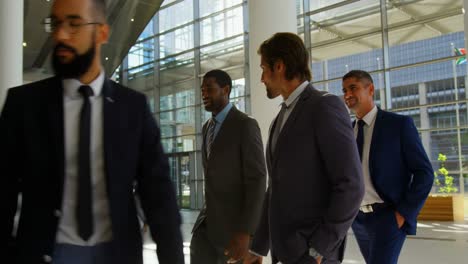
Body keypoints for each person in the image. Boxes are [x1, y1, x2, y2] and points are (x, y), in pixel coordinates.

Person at [1, 0, 184, 263]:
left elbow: (158, 195)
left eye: (74, 24)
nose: (61, 34)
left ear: (102, 33)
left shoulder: (132, 108)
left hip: (116, 254)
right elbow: (3, 193)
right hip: (46, 253)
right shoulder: (24, 106)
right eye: (56, 23)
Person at [245, 32, 364, 264]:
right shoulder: (280, 117)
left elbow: (351, 185)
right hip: (287, 252)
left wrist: (319, 249)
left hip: (312, 254)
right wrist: (258, 247)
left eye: (263, 68)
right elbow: (276, 188)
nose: (261, 78)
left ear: (279, 66)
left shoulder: (324, 106)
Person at [341, 70, 434, 264]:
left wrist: (403, 214)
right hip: (358, 219)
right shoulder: (348, 131)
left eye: (353, 88)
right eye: (344, 90)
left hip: (387, 217)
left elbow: (424, 173)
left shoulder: (398, 125)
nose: (347, 94)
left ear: (371, 89)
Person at [190, 69, 267, 264]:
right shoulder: (207, 127)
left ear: (226, 89)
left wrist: (247, 232)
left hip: (234, 232)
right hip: (206, 229)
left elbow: (257, 180)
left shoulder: (245, 125)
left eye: (209, 89)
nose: (204, 95)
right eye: (202, 90)